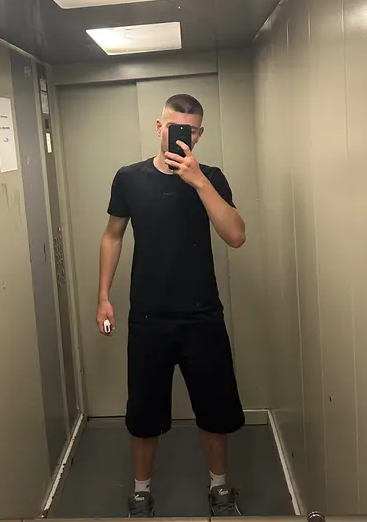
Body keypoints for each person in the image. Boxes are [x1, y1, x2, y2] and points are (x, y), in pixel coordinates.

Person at [96, 93, 246, 517]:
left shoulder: (211, 176)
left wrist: (198, 181)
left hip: (202, 316)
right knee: (144, 413)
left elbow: (236, 235)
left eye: (190, 130)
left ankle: (219, 488)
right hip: (148, 317)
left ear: (199, 134)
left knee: (215, 411)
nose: (181, 135)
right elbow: (112, 235)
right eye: (174, 126)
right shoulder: (129, 178)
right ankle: (141, 493)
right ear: (159, 126)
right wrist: (103, 296)